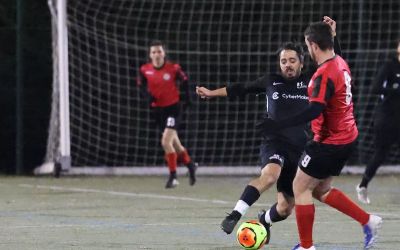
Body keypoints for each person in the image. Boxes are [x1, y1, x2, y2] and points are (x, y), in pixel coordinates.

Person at [197, 17, 340, 240]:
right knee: (270, 176)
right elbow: (240, 89)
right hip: (274, 141)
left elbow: (334, 66)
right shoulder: (271, 81)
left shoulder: (312, 81)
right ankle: (235, 215)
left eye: (292, 60)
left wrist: (331, 37)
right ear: (279, 64)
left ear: (301, 62)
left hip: (300, 147)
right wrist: (211, 93)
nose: (288, 65)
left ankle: (263, 221)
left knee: (285, 207)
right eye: (284, 61)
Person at [256, 22, 382, 250]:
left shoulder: (323, 75)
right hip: (347, 136)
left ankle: (306, 247)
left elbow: (314, 110)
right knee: (320, 189)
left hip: (328, 143)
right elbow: (336, 57)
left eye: (308, 45)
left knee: (300, 187)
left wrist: (278, 125)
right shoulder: (340, 62)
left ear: (313, 45)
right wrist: (333, 36)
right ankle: (368, 221)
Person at [137, 40, 197, 189]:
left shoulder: (173, 68)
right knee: (175, 144)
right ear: (150, 55)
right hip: (158, 111)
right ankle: (190, 165)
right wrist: (147, 97)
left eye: (159, 51)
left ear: (164, 53)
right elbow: (140, 86)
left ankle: (173, 176)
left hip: (173, 109)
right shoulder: (145, 69)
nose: (157, 54)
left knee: (165, 142)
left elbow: (185, 80)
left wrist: (188, 99)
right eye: (154, 52)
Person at [356, 39, 400, 204]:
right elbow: (375, 87)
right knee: (381, 154)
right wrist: (395, 90)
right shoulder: (390, 66)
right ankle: (362, 186)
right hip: (386, 118)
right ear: (398, 48)